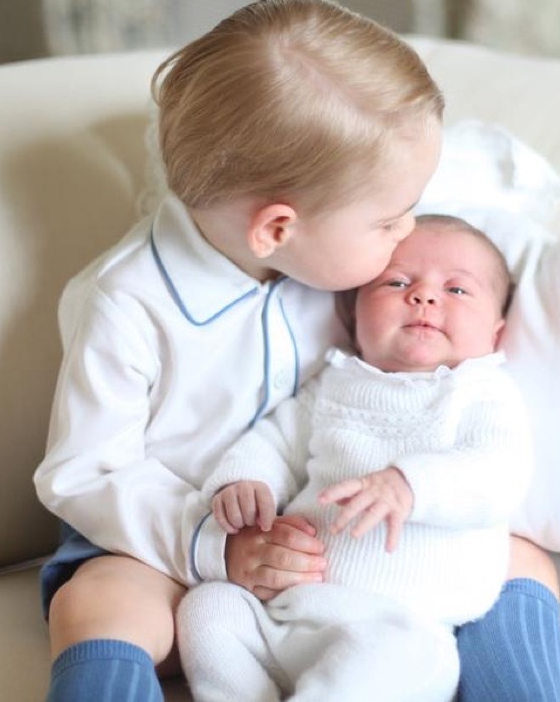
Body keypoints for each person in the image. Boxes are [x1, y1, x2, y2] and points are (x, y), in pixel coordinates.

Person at [33, 0, 560, 702]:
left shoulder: (342, 260)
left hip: (349, 545)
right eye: (389, 221)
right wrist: (217, 546)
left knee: (522, 560)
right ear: (277, 229)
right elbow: (83, 474)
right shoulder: (127, 303)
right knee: (98, 600)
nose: (405, 233)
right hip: (173, 546)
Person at [177, 215, 531, 701]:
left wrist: (410, 485)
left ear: (496, 333)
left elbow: (501, 474)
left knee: (406, 659)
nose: (424, 297)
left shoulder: (482, 393)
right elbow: (276, 441)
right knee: (209, 607)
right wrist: (244, 481)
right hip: (288, 611)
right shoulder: (336, 383)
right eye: (398, 282)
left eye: (458, 290)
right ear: (354, 312)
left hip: (402, 625)